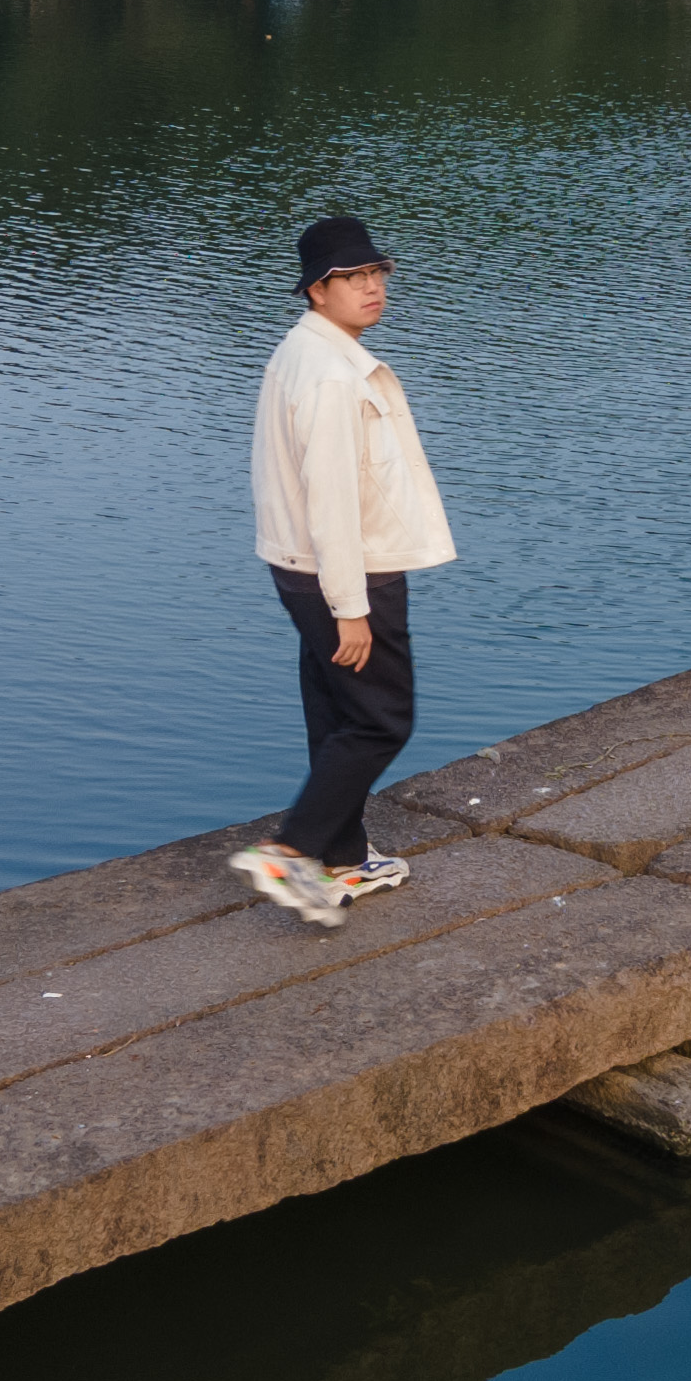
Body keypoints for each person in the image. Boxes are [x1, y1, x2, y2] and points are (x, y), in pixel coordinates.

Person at [229, 215, 456, 925]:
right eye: (351, 278)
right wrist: (349, 604)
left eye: (376, 273)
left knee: (336, 714)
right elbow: (331, 497)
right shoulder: (330, 375)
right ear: (316, 291)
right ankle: (291, 851)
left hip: (301, 565)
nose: (372, 288)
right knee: (380, 722)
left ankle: (344, 859)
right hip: (346, 571)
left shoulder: (302, 352)